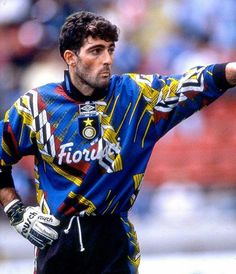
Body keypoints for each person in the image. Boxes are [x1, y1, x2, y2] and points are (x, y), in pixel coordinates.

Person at [0, 10, 236, 274]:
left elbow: (194, 83)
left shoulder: (136, 97)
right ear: (70, 57)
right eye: (96, 51)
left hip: (114, 243)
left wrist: (231, 71)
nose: (107, 59)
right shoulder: (36, 107)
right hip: (56, 243)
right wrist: (15, 209)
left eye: (110, 50)